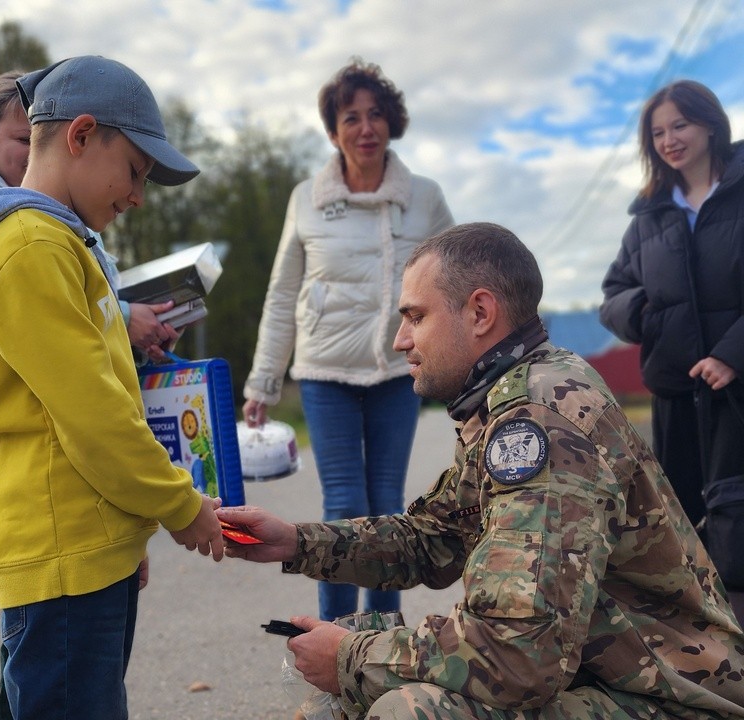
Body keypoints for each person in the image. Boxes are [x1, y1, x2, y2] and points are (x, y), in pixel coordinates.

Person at [219, 222, 744, 720]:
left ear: (479, 312)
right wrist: (295, 542)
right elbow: (433, 538)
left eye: (415, 316)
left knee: (411, 710)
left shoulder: (541, 420)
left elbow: (516, 654)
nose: (401, 340)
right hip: (605, 678)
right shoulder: (511, 395)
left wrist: (350, 656)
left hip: (669, 699)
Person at [0, 55, 224, 720]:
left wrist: (128, 531)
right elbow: (95, 416)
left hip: (83, 546)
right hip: (61, 556)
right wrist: (179, 506)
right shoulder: (30, 246)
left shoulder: (61, 243)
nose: (138, 195)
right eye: (135, 171)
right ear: (81, 135)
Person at [242, 58, 453, 622]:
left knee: (386, 512)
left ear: (392, 123)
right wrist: (264, 381)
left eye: (376, 114)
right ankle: (333, 637)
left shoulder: (425, 198)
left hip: (397, 371)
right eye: (351, 117)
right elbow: (282, 293)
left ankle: (382, 641)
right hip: (324, 372)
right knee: (343, 506)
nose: (365, 128)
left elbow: (456, 282)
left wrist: (466, 369)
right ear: (334, 132)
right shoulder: (305, 198)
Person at [0, 70, 179, 460]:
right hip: (25, 444)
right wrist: (126, 317)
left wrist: (135, 335)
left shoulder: (65, 218)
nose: (36, 151)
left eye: (41, 135)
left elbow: (80, 313)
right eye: (24, 139)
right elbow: (22, 300)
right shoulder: (7, 228)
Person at [600, 80, 744, 539]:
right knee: (678, 531)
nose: (669, 141)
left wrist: (732, 355)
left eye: (680, 125)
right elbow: (614, 294)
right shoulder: (649, 217)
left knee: (735, 525)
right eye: (658, 133)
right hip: (677, 397)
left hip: (737, 395)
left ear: (710, 124)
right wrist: (650, 315)